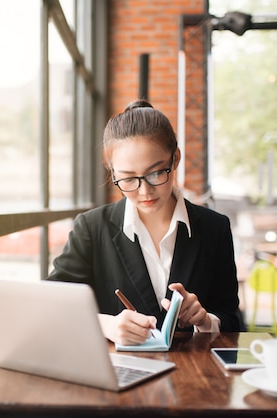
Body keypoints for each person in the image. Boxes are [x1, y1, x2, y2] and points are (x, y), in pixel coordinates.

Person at [47, 99, 242, 346]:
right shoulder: (92, 228)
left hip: (193, 377)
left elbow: (233, 320)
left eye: (156, 173)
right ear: (112, 172)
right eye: (128, 179)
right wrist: (106, 325)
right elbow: (53, 303)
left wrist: (205, 321)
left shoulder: (215, 229)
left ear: (176, 159)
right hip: (118, 375)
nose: (145, 191)